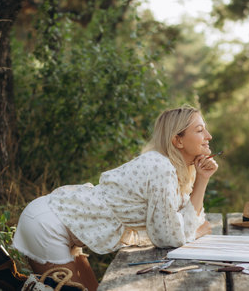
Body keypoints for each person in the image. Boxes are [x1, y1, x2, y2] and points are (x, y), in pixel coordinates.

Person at [12, 105, 218, 290]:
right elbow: (168, 236)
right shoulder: (160, 167)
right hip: (48, 224)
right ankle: (7, 278)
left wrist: (202, 179)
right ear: (177, 140)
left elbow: (190, 220)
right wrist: (195, 233)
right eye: (200, 130)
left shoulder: (174, 170)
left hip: (63, 223)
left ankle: (7, 276)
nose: (208, 136)